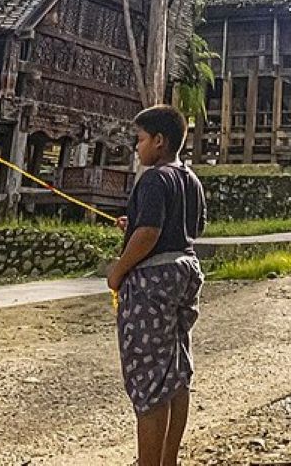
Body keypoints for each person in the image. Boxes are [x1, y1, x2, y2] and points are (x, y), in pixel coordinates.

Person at [106, 105, 207, 466]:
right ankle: (168, 460)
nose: (137, 148)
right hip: (185, 272)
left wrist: (118, 271)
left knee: (150, 381)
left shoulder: (153, 178)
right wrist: (133, 224)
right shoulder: (190, 179)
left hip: (152, 282)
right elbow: (193, 227)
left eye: (141, 140)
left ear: (159, 141)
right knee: (176, 373)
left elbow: (149, 233)